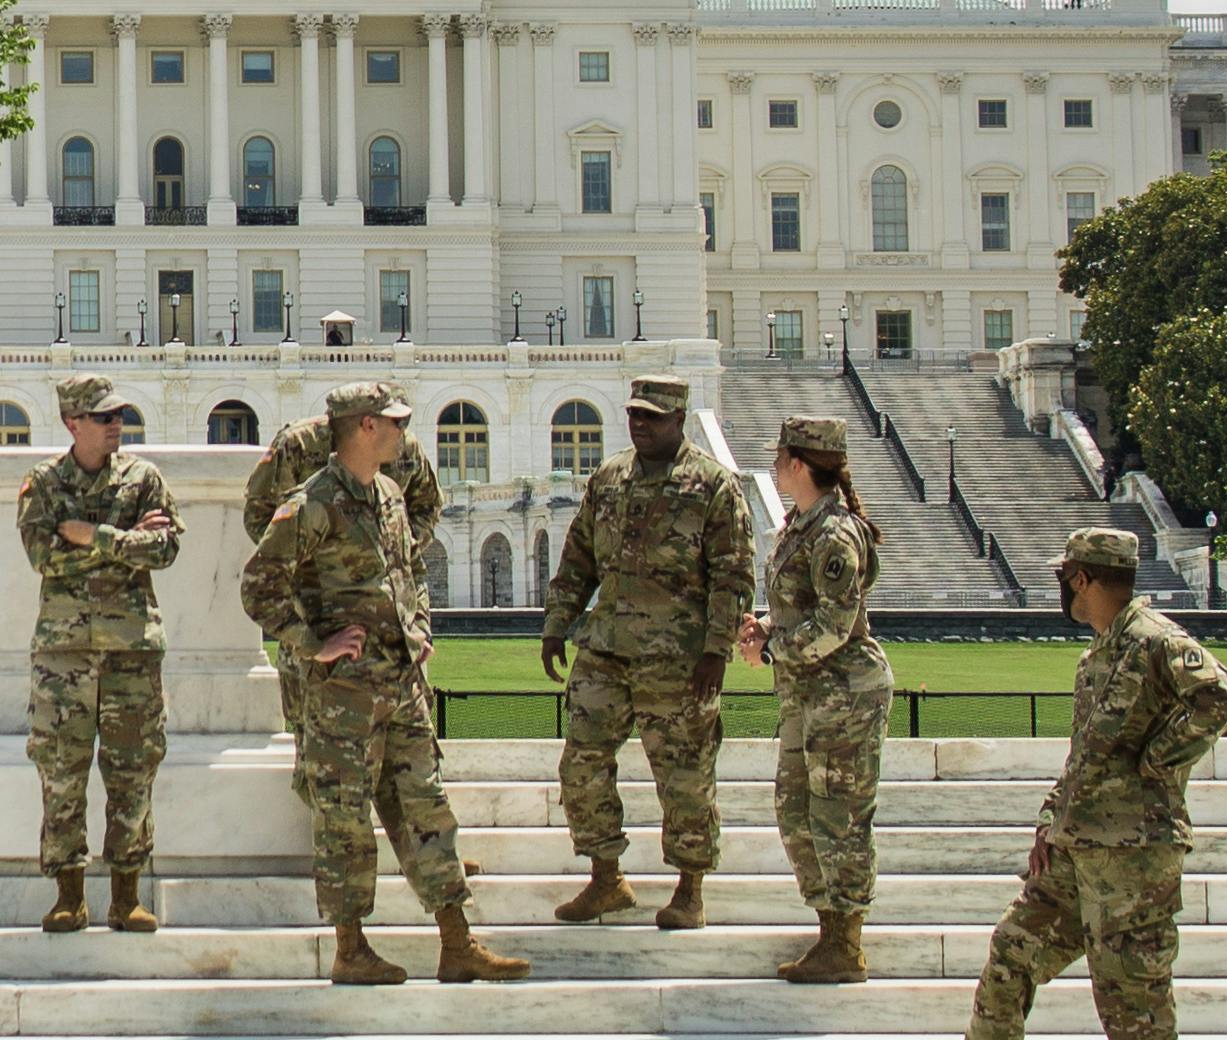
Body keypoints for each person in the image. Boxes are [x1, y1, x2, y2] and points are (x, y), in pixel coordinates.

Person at [923, 527, 1227, 1040]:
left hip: (1134, 849)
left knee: (1131, 978)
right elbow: (1085, 755)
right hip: (1078, 843)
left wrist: (1158, 761)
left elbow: (1221, 698)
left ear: (1082, 579)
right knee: (1016, 942)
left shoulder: (1154, 641)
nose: (1062, 589)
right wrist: (1051, 822)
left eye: (1066, 577)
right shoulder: (1099, 654)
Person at [241, 384, 529, 987]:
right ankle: (351, 947)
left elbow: (409, 572)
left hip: (400, 682)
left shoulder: (392, 495)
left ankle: (457, 941)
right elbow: (260, 583)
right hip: (342, 694)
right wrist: (310, 643)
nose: (405, 431)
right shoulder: (312, 503)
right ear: (365, 426)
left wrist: (418, 629)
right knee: (344, 820)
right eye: (395, 422)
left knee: (428, 805)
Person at [541, 372, 754, 929]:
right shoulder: (609, 478)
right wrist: (556, 624)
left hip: (679, 657)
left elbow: (733, 575)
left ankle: (689, 889)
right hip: (607, 648)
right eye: (634, 414)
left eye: (651, 417)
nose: (639, 425)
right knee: (581, 765)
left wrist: (717, 649)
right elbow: (579, 557)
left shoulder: (712, 485)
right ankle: (606, 879)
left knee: (684, 775)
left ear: (679, 420)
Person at [17, 374, 180, 934]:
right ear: (73, 423)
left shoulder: (144, 479)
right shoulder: (43, 483)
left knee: (133, 771)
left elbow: (166, 548)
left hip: (132, 651)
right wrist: (127, 541)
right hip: (65, 656)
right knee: (61, 773)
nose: (117, 425)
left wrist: (94, 537)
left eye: (118, 416)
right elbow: (43, 556)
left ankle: (126, 895)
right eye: (104, 417)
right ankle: (69, 894)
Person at [744, 416, 889, 984]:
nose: (776, 467)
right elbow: (802, 610)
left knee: (839, 816)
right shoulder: (802, 525)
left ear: (798, 465)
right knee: (797, 810)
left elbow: (836, 623)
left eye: (781, 458)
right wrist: (766, 627)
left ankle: (846, 942)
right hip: (811, 695)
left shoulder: (833, 533)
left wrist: (773, 649)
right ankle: (832, 927)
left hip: (843, 695)